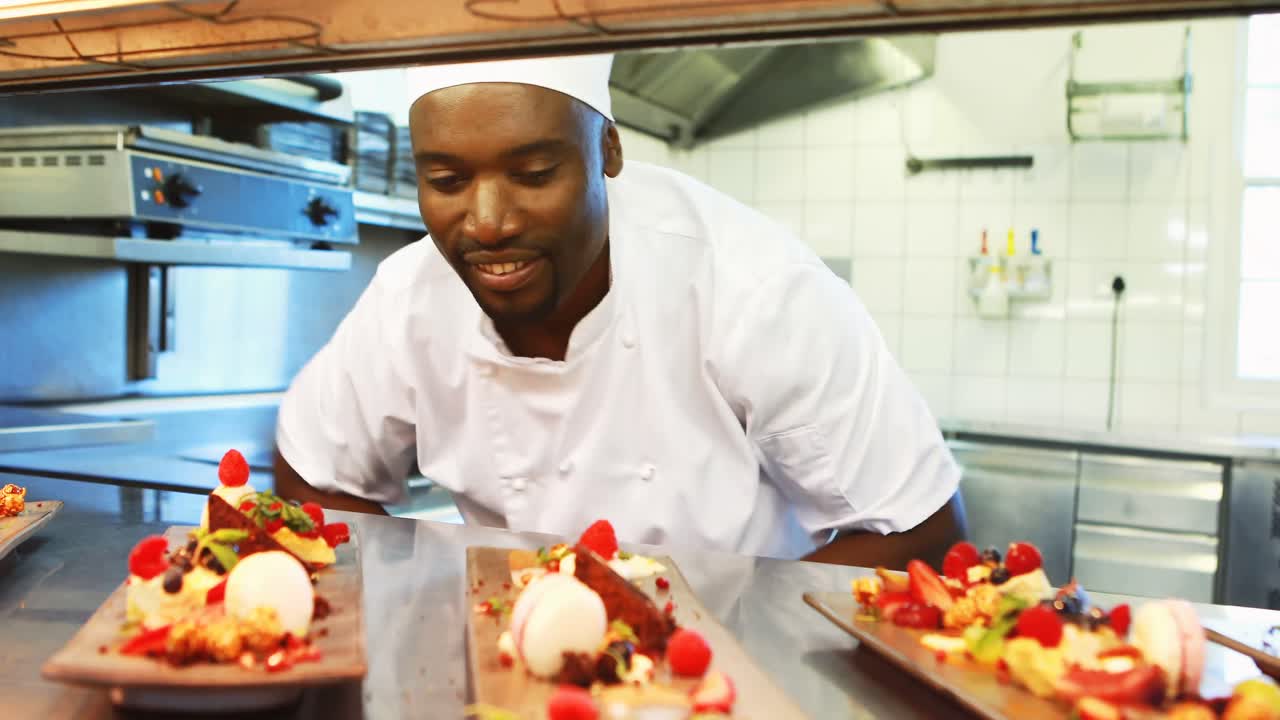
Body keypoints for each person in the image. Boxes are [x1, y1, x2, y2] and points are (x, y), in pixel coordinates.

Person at [273, 53, 966, 570]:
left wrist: (722, 643)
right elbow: (311, 475)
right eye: (447, 180)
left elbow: (921, 531)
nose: (487, 223)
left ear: (608, 149)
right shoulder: (410, 297)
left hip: (728, 676)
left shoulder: (751, 287)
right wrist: (431, 588)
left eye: (533, 174)